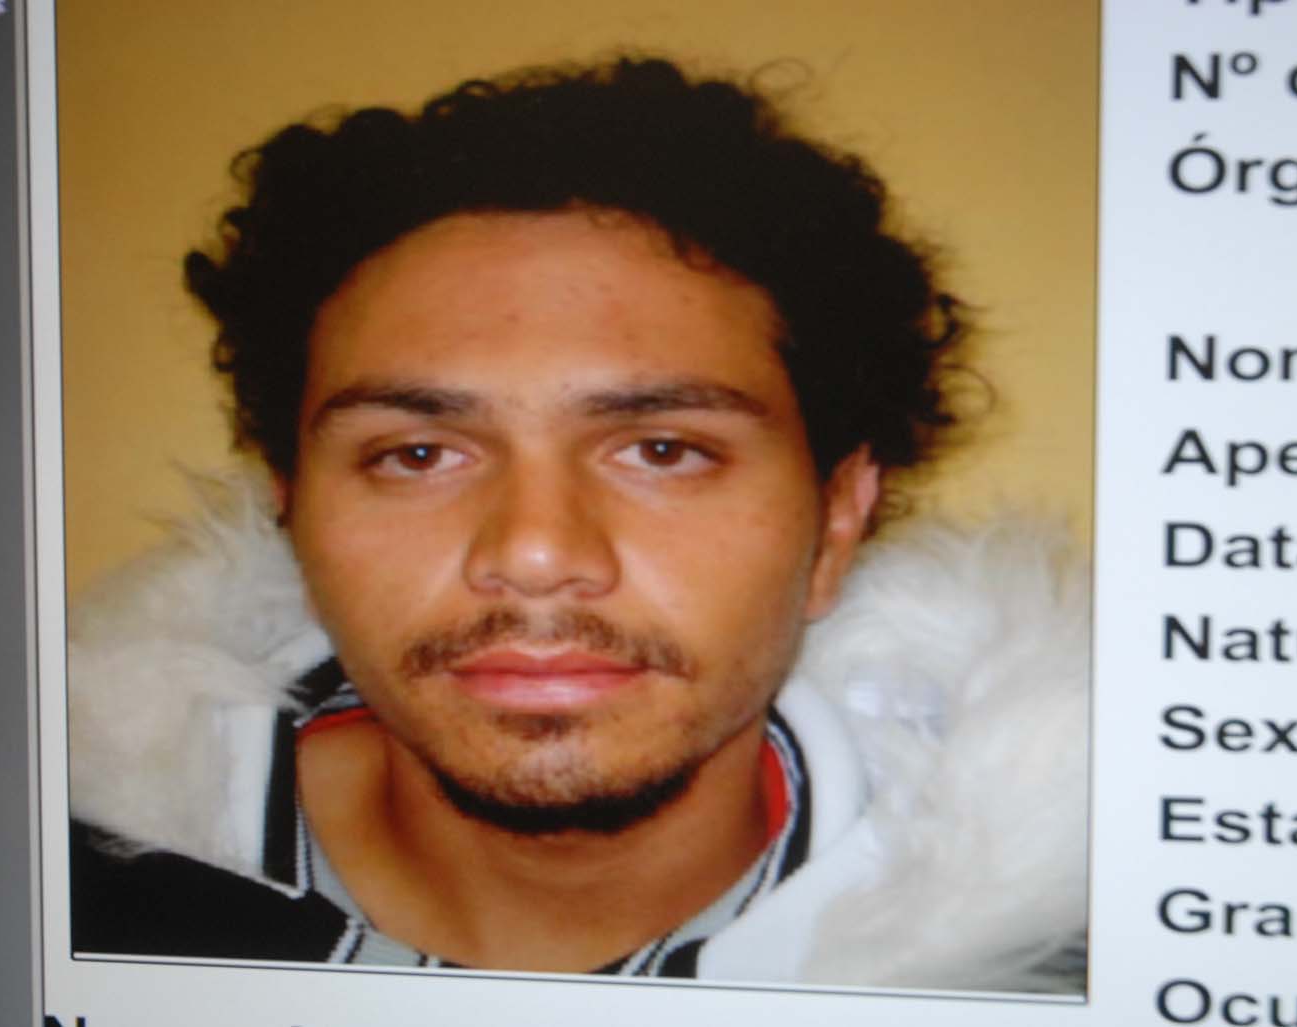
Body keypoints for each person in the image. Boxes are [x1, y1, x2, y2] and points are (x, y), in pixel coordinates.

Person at [66, 57, 1087, 990]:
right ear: (290, 509)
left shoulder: (1088, 959)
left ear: (834, 523)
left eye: (663, 450)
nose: (535, 552)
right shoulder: (36, 882)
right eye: (418, 455)